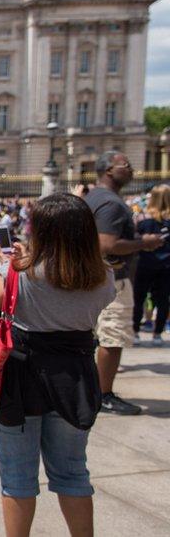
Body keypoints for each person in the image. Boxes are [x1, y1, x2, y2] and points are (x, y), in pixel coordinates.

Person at [0, 193, 116, 537]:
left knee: (18, 476)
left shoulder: (21, 273)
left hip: (22, 377)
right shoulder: (103, 276)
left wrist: (5, 266)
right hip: (75, 375)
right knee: (72, 472)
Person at [84, 151, 165, 415]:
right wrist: (145, 242)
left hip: (94, 277)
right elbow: (107, 245)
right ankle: (102, 394)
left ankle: (93, 390)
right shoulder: (112, 203)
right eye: (125, 165)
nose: (131, 169)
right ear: (108, 170)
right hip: (113, 280)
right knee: (112, 336)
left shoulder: (93, 197)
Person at [133, 183, 170, 346]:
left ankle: (135, 331)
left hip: (145, 262)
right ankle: (157, 333)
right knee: (163, 300)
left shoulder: (142, 218)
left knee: (139, 298)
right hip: (167, 265)